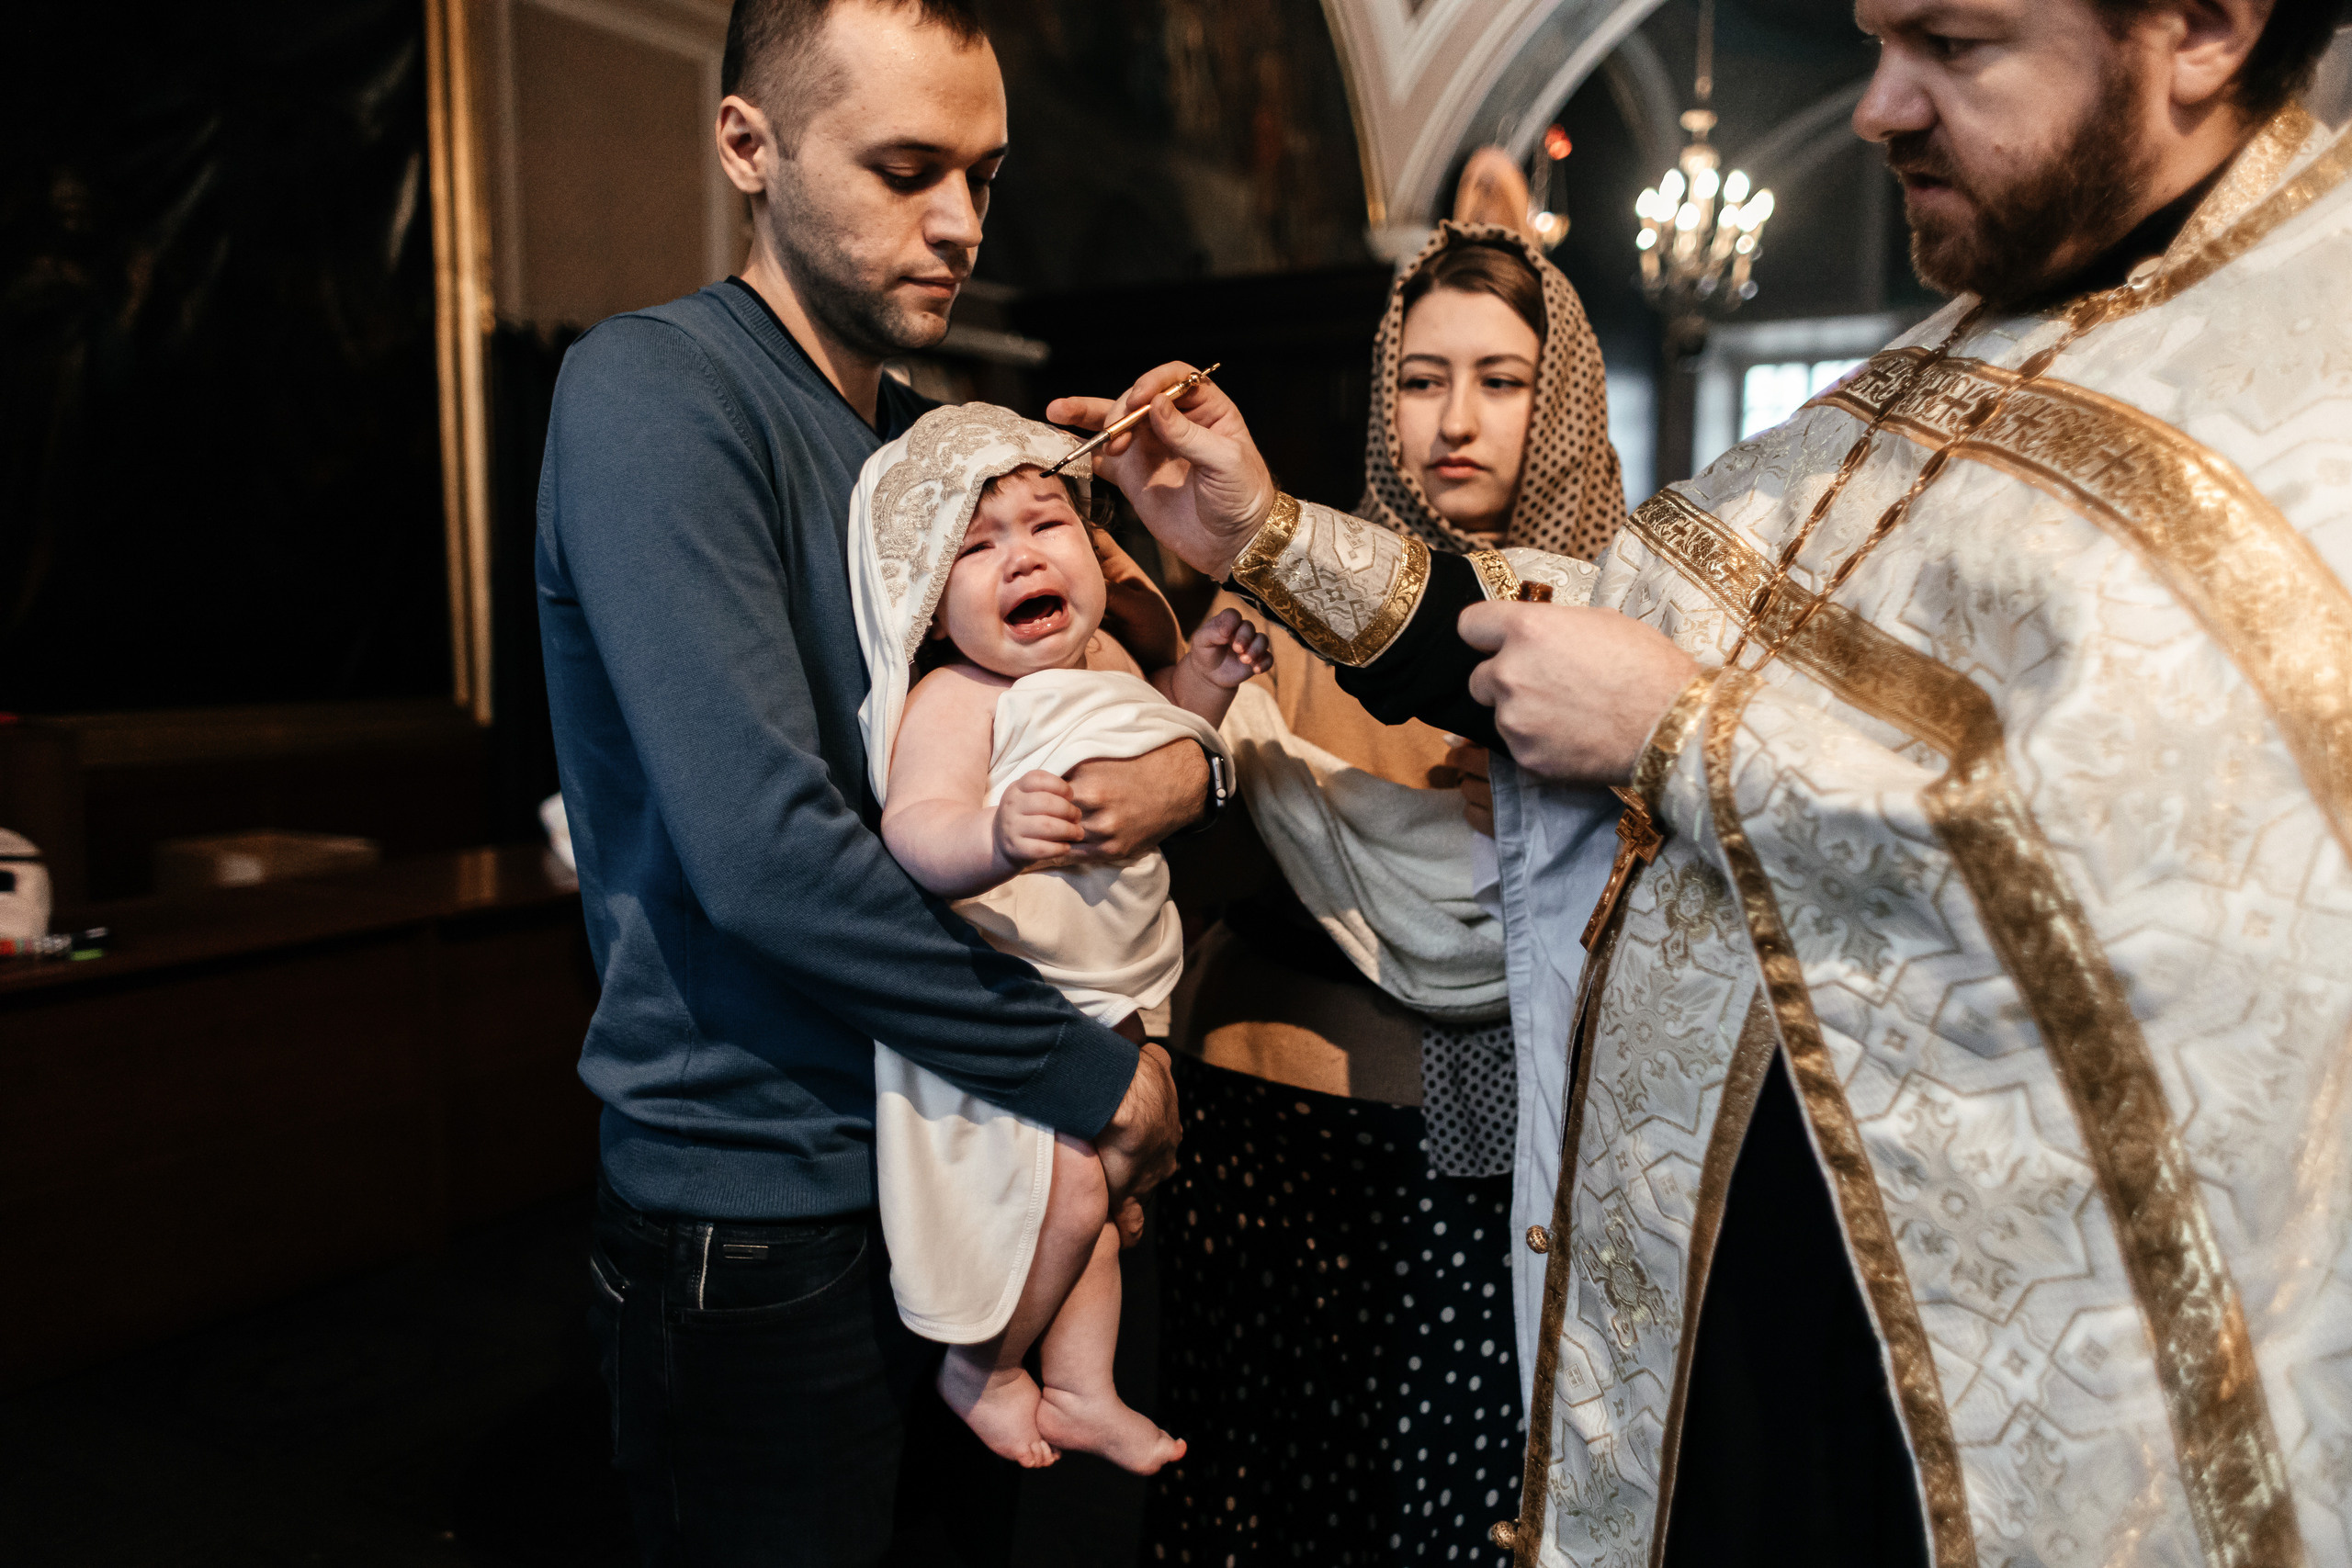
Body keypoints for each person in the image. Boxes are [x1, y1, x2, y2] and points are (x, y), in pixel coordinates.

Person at [1056, 1, 2352, 1562]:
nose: (1878, 106)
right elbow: (1586, 628)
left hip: (1968, 1407)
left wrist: (1691, 737)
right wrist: (1261, 536)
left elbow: (2226, 918)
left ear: (2202, 25)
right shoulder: (1970, 348)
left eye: (1952, 43)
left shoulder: (2309, 399)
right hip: (1733, 1343)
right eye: (1877, 36)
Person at [535, 2, 1210, 1562]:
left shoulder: (943, 460)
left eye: (983, 172)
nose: (962, 223)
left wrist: (1180, 725)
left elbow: (1098, 723)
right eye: (907, 167)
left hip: (958, 1145)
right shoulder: (655, 394)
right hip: (764, 1191)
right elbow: (766, 853)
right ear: (747, 145)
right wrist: (1088, 1074)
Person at [1145, 222, 1623, 1565]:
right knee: (1259, 1486)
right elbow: (1154, 849)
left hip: (1483, 1166)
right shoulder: (1280, 596)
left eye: (1500, 379)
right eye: (1418, 380)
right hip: (1264, 1124)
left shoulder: (1623, 622)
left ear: (1565, 398)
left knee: (1446, 1503)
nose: (1452, 420)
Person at [845, 402, 1271, 1475]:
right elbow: (914, 828)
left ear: (1095, 549)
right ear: (932, 611)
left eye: (1046, 526)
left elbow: (1163, 734)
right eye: (977, 548)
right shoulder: (958, 694)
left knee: (1095, 1208)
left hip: (1118, 995)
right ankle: (980, 1365)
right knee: (1077, 1192)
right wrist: (990, 835)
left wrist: (1206, 685)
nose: (1021, 556)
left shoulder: (1107, 665)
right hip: (1014, 1002)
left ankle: (1082, 1386)